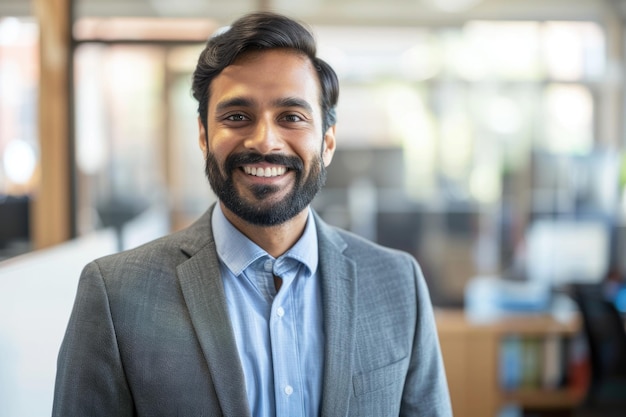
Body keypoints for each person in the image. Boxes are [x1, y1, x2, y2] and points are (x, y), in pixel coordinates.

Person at [52, 12, 452, 417]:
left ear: (327, 142)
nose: (264, 140)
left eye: (291, 117)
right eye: (236, 117)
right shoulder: (116, 294)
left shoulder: (397, 284)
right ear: (204, 136)